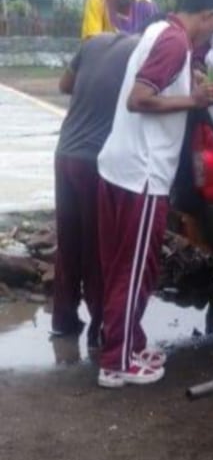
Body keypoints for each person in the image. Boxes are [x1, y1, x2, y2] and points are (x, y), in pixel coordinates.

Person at [96, 0, 213, 389]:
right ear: (206, 15)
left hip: (122, 167)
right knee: (135, 272)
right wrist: (196, 100)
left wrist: (191, 81)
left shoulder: (160, 30)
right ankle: (116, 362)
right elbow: (138, 99)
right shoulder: (174, 41)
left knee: (125, 267)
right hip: (142, 173)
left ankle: (127, 344)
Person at [52, 32, 140, 348]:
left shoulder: (92, 43)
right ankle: (101, 327)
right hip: (95, 161)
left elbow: (64, 85)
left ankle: (63, 318)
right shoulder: (145, 49)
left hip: (65, 154)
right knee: (99, 247)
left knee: (69, 240)